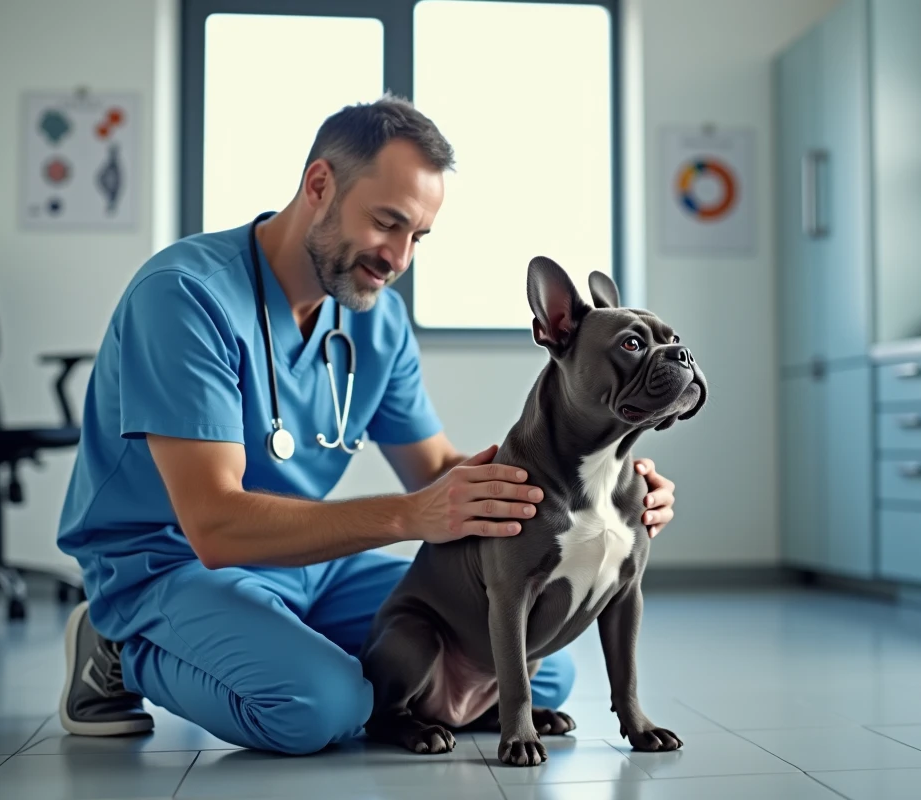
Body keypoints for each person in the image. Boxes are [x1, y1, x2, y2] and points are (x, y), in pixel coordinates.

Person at [55, 93, 679, 756]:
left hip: (304, 562)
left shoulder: (373, 319)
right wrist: (411, 516)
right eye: (388, 223)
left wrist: (603, 492)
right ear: (320, 185)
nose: (400, 257)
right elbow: (214, 525)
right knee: (317, 707)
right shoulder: (185, 297)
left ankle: (275, 633)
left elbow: (440, 473)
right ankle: (115, 644)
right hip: (172, 564)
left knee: (539, 669)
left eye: (418, 237)